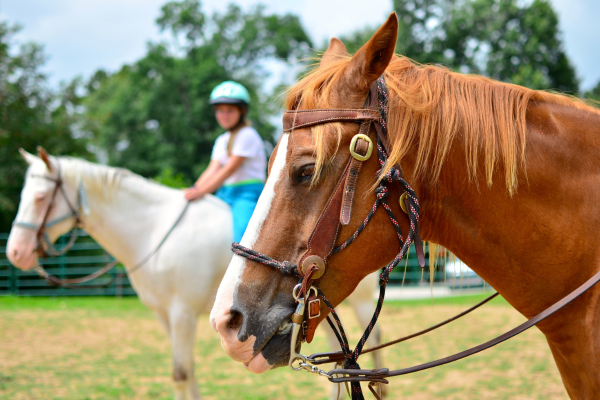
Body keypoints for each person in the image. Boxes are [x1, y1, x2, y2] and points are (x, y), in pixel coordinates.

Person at [184, 81, 266, 242]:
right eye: (220, 110)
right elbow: (211, 169)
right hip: (225, 192)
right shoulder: (222, 139)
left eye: (229, 110)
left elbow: (229, 169)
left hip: (246, 193)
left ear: (242, 111)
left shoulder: (247, 134)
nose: (224, 115)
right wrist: (194, 188)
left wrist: (202, 192)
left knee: (244, 235)